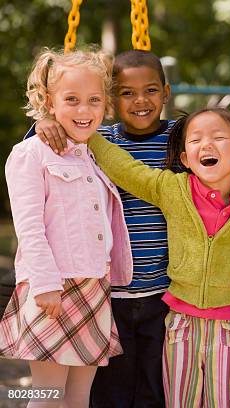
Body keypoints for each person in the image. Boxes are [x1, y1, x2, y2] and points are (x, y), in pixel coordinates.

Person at [86, 106, 230, 407]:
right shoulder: (172, 188)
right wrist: (88, 134)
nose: (206, 145)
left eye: (219, 137)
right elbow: (126, 168)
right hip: (180, 322)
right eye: (195, 140)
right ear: (184, 159)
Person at [29, 50, 174, 408]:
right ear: (112, 100)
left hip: (160, 292)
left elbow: (222, 146)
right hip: (103, 294)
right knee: (92, 392)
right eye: (126, 92)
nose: (140, 101)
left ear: (166, 93)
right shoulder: (98, 140)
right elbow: (50, 147)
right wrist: (41, 124)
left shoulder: (179, 140)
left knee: (152, 389)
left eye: (151, 91)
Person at [0, 48, 133, 407]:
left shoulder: (94, 155)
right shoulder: (30, 154)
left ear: (105, 104)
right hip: (52, 290)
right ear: (48, 102)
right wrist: (45, 284)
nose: (83, 110)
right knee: (47, 396)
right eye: (71, 100)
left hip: (94, 288)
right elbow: (28, 227)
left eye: (93, 100)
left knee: (78, 398)